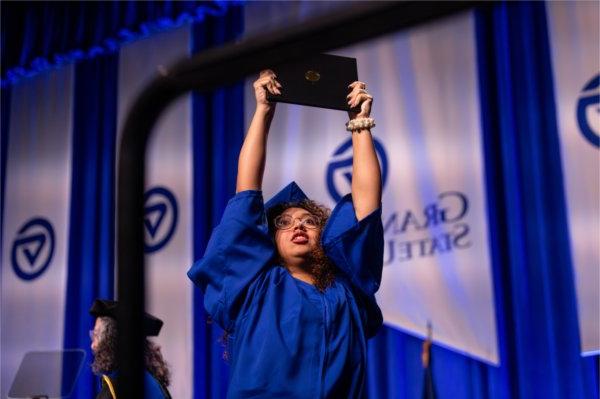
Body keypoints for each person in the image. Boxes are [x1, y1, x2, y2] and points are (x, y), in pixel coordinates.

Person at [188, 70, 383, 398]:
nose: (298, 226)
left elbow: (366, 209)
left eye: (309, 221)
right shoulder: (255, 288)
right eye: (284, 222)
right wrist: (264, 111)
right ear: (267, 242)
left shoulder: (347, 291)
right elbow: (246, 193)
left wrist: (360, 124)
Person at [89, 299, 172, 399]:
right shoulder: (150, 381)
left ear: (112, 339)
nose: (93, 345)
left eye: (96, 336)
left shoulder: (120, 384)